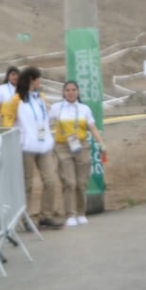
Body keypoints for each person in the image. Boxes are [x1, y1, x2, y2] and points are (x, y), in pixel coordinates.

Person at [49, 80, 106, 227]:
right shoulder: (56, 108)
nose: (71, 92)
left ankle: (81, 212)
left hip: (81, 146)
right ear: (63, 92)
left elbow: (92, 127)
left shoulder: (84, 109)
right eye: (67, 90)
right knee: (69, 182)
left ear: (78, 92)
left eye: (74, 90)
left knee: (81, 182)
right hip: (62, 147)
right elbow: (44, 123)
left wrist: (101, 142)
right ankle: (70, 214)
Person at [13, 66, 62, 230]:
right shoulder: (17, 100)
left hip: (44, 145)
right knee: (27, 184)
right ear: (31, 80)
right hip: (26, 146)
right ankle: (25, 218)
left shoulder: (40, 99)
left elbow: (45, 118)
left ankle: (46, 215)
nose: (40, 82)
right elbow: (9, 121)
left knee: (50, 180)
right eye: (38, 79)